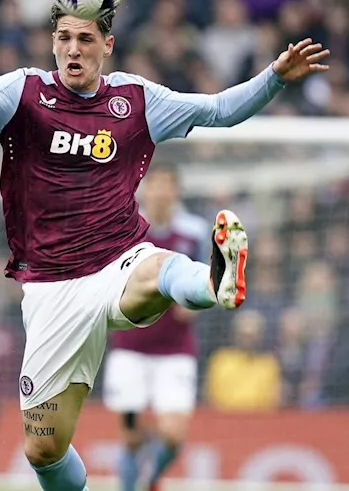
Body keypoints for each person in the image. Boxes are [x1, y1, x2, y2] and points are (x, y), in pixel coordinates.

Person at [0, 4, 329, 491]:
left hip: (118, 258)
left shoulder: (135, 100)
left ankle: (214, 278)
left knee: (159, 269)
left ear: (107, 46)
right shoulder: (21, 92)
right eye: (65, 37)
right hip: (50, 289)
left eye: (86, 39)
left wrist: (274, 78)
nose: (74, 48)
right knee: (44, 449)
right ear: (53, 41)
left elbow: (218, 110)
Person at [104, 164, 210, 491]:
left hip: (175, 350)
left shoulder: (194, 232)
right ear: (145, 190)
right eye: (156, 185)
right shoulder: (127, 228)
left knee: (173, 434)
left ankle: (148, 478)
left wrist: (199, 302)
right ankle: (131, 482)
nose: (161, 192)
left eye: (168, 186)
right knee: (131, 438)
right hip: (130, 348)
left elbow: (208, 275)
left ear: (176, 192)